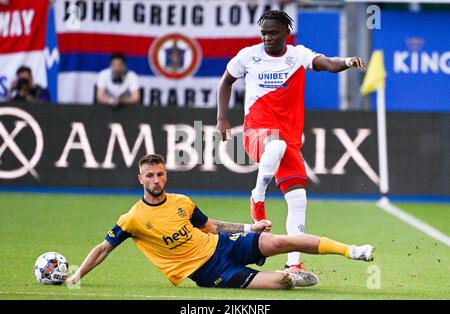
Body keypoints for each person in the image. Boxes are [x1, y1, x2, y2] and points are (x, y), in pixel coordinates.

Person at [65, 154, 375, 289]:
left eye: (160, 174)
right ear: (140, 179)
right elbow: (103, 248)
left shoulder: (182, 202)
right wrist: (77, 274)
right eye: (150, 175)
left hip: (223, 244)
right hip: (209, 272)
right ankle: (290, 278)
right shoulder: (132, 218)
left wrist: (248, 228)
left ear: (165, 175)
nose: (156, 179)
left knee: (280, 241)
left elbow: (211, 226)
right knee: (280, 282)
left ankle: (352, 251)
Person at [216, 10, 367, 274]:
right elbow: (226, 81)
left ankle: (293, 265)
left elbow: (329, 64)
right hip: (257, 132)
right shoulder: (248, 56)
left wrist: (347, 61)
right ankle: (258, 196)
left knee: (298, 199)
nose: (267, 38)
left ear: (287, 31)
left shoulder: (297, 55)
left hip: (290, 139)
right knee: (275, 145)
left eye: (273, 32)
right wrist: (222, 118)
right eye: (264, 32)